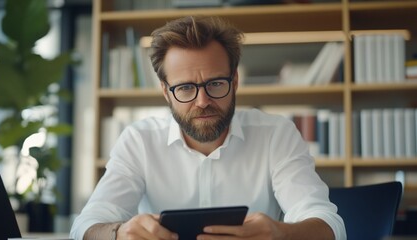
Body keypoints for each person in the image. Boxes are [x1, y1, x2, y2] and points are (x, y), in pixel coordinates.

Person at [70, 16, 346, 240]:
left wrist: (283, 234)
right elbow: (86, 226)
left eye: (215, 84)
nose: (202, 102)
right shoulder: (138, 140)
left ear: (235, 81)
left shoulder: (276, 134)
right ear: (166, 91)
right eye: (186, 88)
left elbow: (329, 225)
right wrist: (119, 233)